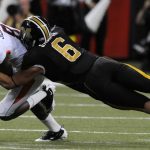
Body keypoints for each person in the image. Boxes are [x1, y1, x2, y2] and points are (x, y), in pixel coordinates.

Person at [1, 16, 150, 120]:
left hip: (94, 82)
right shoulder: (57, 31)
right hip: (104, 63)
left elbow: (12, 83)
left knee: (143, 105)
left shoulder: (35, 58)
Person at [0, 23, 67, 141]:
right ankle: (57, 131)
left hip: (31, 71)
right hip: (26, 63)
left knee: (5, 113)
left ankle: (46, 91)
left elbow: (9, 83)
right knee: (27, 97)